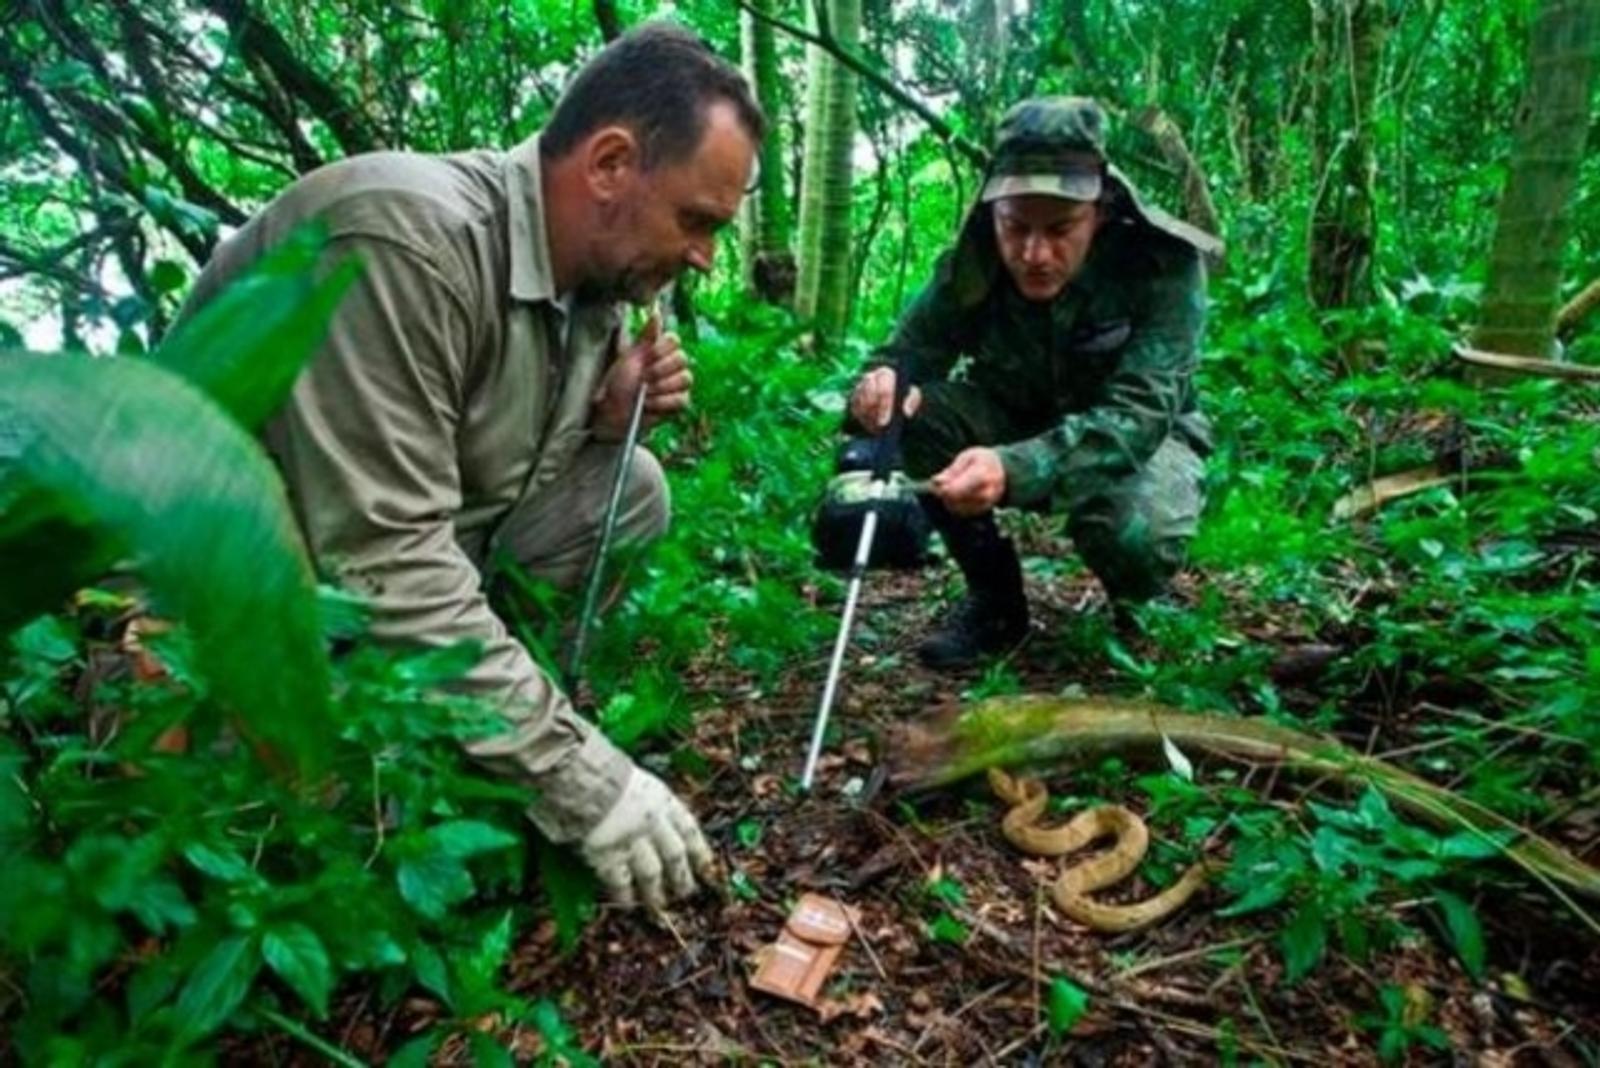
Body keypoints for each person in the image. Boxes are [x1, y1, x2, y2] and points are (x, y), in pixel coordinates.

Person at [176, 24, 762, 910]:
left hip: (353, 575)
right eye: (696, 220)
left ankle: (478, 730)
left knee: (629, 488)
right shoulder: (405, 242)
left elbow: (489, 476)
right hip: (219, 603)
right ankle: (446, 749)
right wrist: (585, 782)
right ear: (609, 164)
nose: (706, 256)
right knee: (289, 846)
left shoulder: (593, 281)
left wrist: (603, 423)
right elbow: (386, 555)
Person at [848, 97, 1220, 670]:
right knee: (920, 418)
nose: (1034, 253)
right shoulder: (974, 260)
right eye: (1015, 227)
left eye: (1060, 229)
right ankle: (996, 603)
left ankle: (1136, 604)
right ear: (994, 212)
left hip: (1139, 438)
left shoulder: (1163, 263)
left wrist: (1012, 468)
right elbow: (907, 354)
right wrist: (883, 388)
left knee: (1135, 537)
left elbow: (1141, 416)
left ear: (1099, 209)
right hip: (1014, 412)